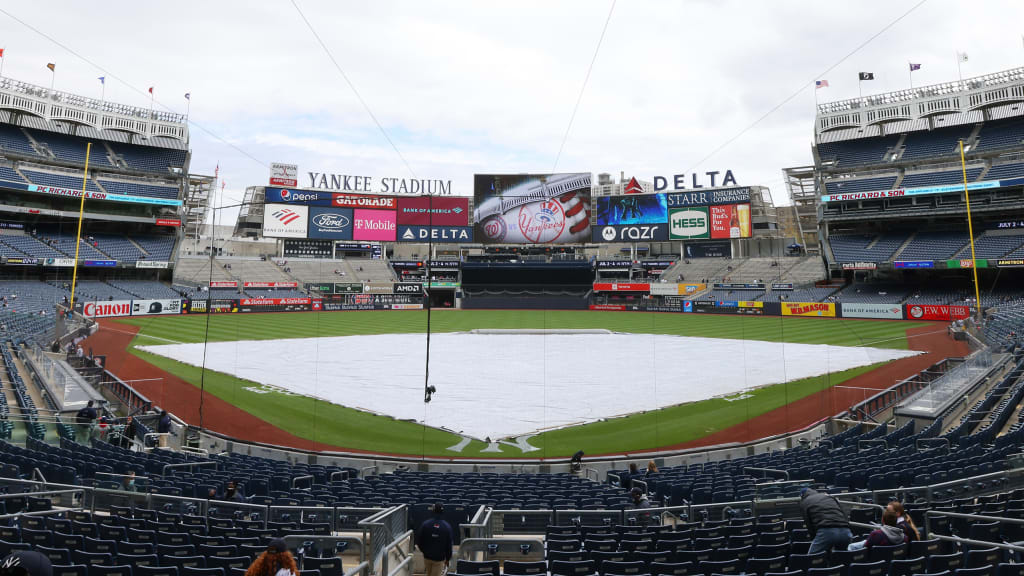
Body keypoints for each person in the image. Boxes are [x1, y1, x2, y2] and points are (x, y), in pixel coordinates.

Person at [800, 487, 852, 555]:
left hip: (826, 531)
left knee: (812, 559)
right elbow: (844, 514)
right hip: (845, 531)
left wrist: (814, 538)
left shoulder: (805, 502)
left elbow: (809, 524)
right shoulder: (829, 496)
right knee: (841, 560)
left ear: (802, 496)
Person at [416, 503, 453, 576]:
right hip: (439, 559)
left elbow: (419, 541)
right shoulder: (447, 527)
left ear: (433, 511)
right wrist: (448, 558)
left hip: (427, 557)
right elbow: (449, 545)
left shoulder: (425, 524)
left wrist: (424, 552)